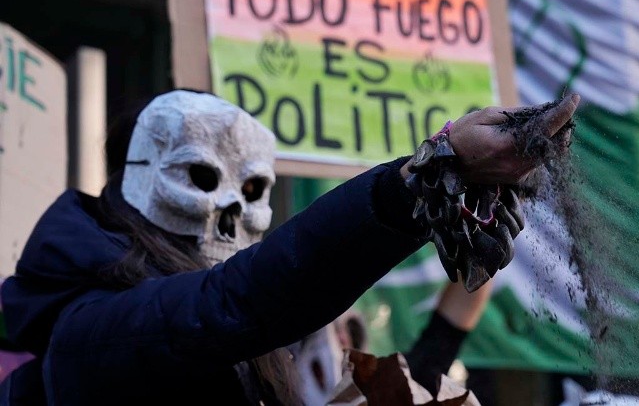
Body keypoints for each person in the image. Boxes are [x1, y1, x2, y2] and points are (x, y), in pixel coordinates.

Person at [0, 90, 578, 405]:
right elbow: (234, 304)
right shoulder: (87, 336)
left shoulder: (258, 354)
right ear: (139, 179)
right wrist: (419, 183)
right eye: (199, 179)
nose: (230, 210)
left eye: (253, 190)